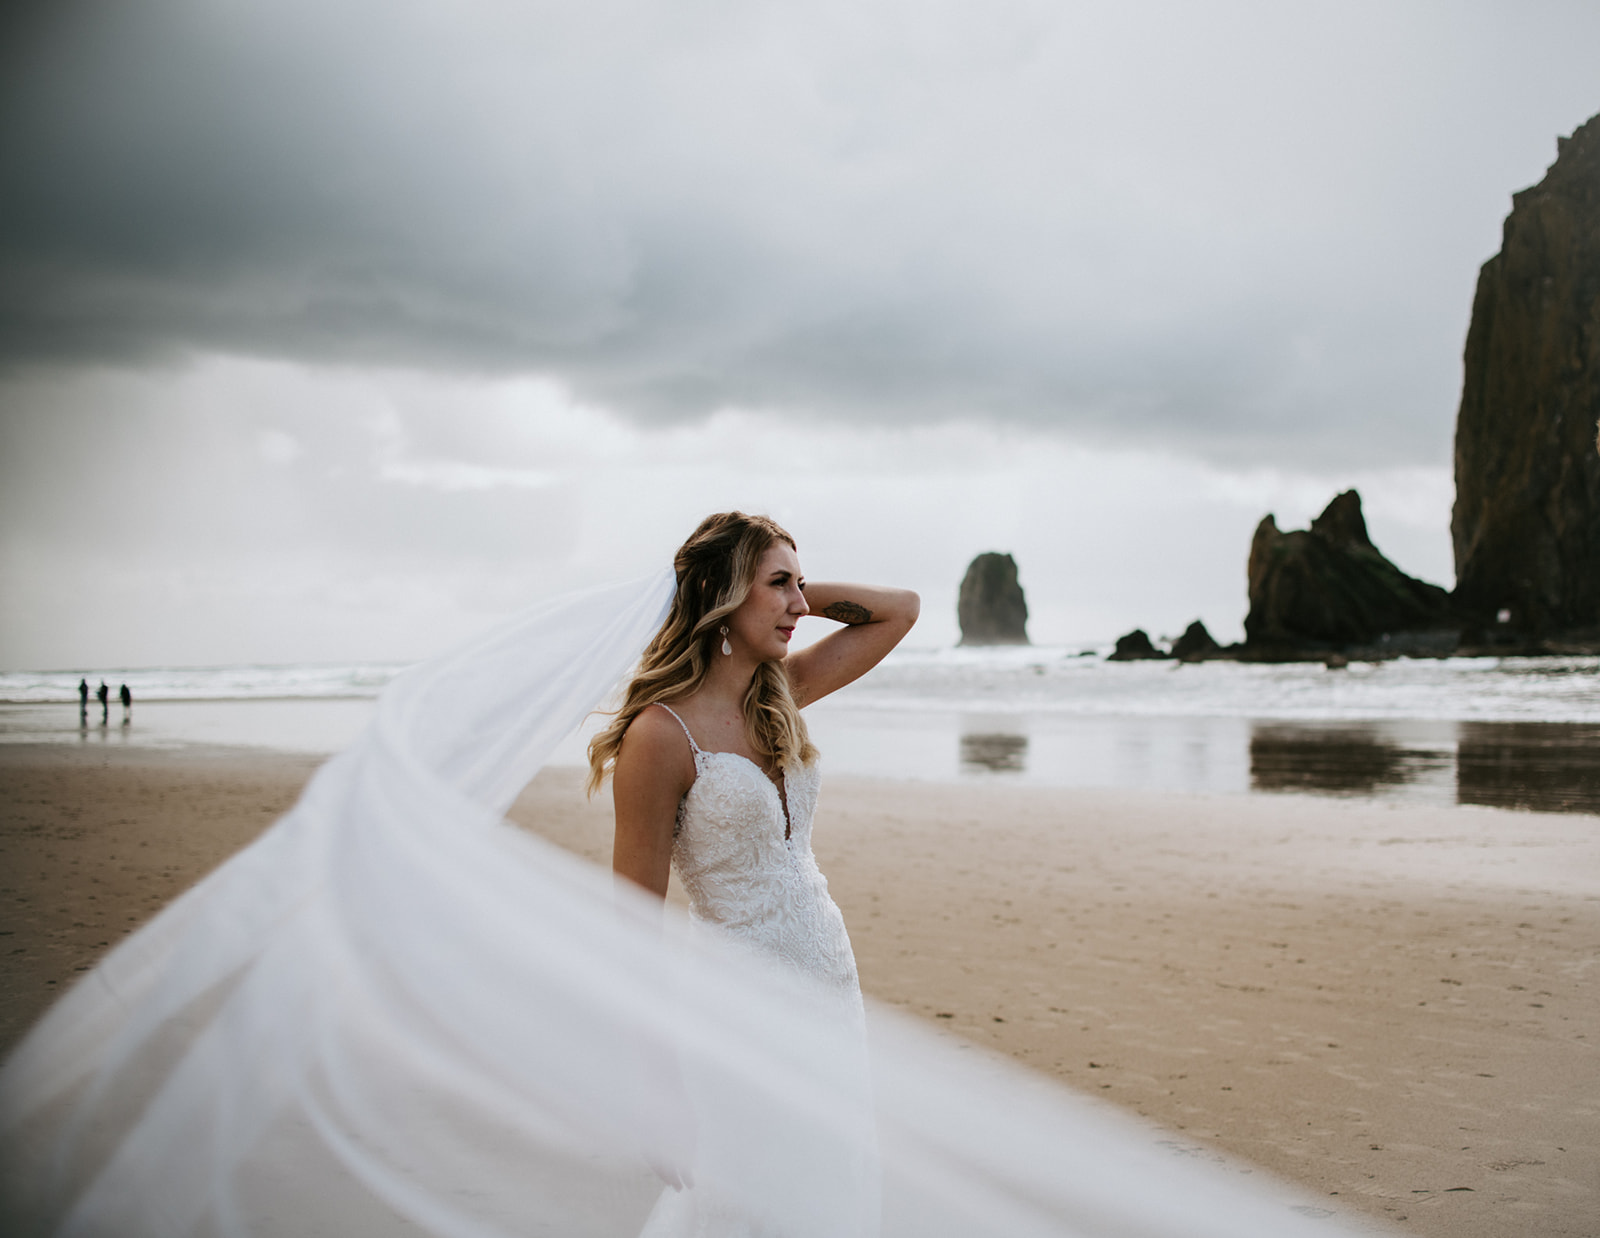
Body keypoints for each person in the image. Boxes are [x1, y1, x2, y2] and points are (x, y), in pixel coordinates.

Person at [588, 513, 918, 1229]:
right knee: (752, 1194)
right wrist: (656, 1085)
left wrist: (783, 590)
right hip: (737, 1006)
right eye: (779, 585)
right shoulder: (658, 736)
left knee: (828, 1183)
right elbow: (632, 924)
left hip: (828, 984)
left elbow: (901, 610)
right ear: (721, 593)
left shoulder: (780, 694)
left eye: (801, 586)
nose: (801, 606)